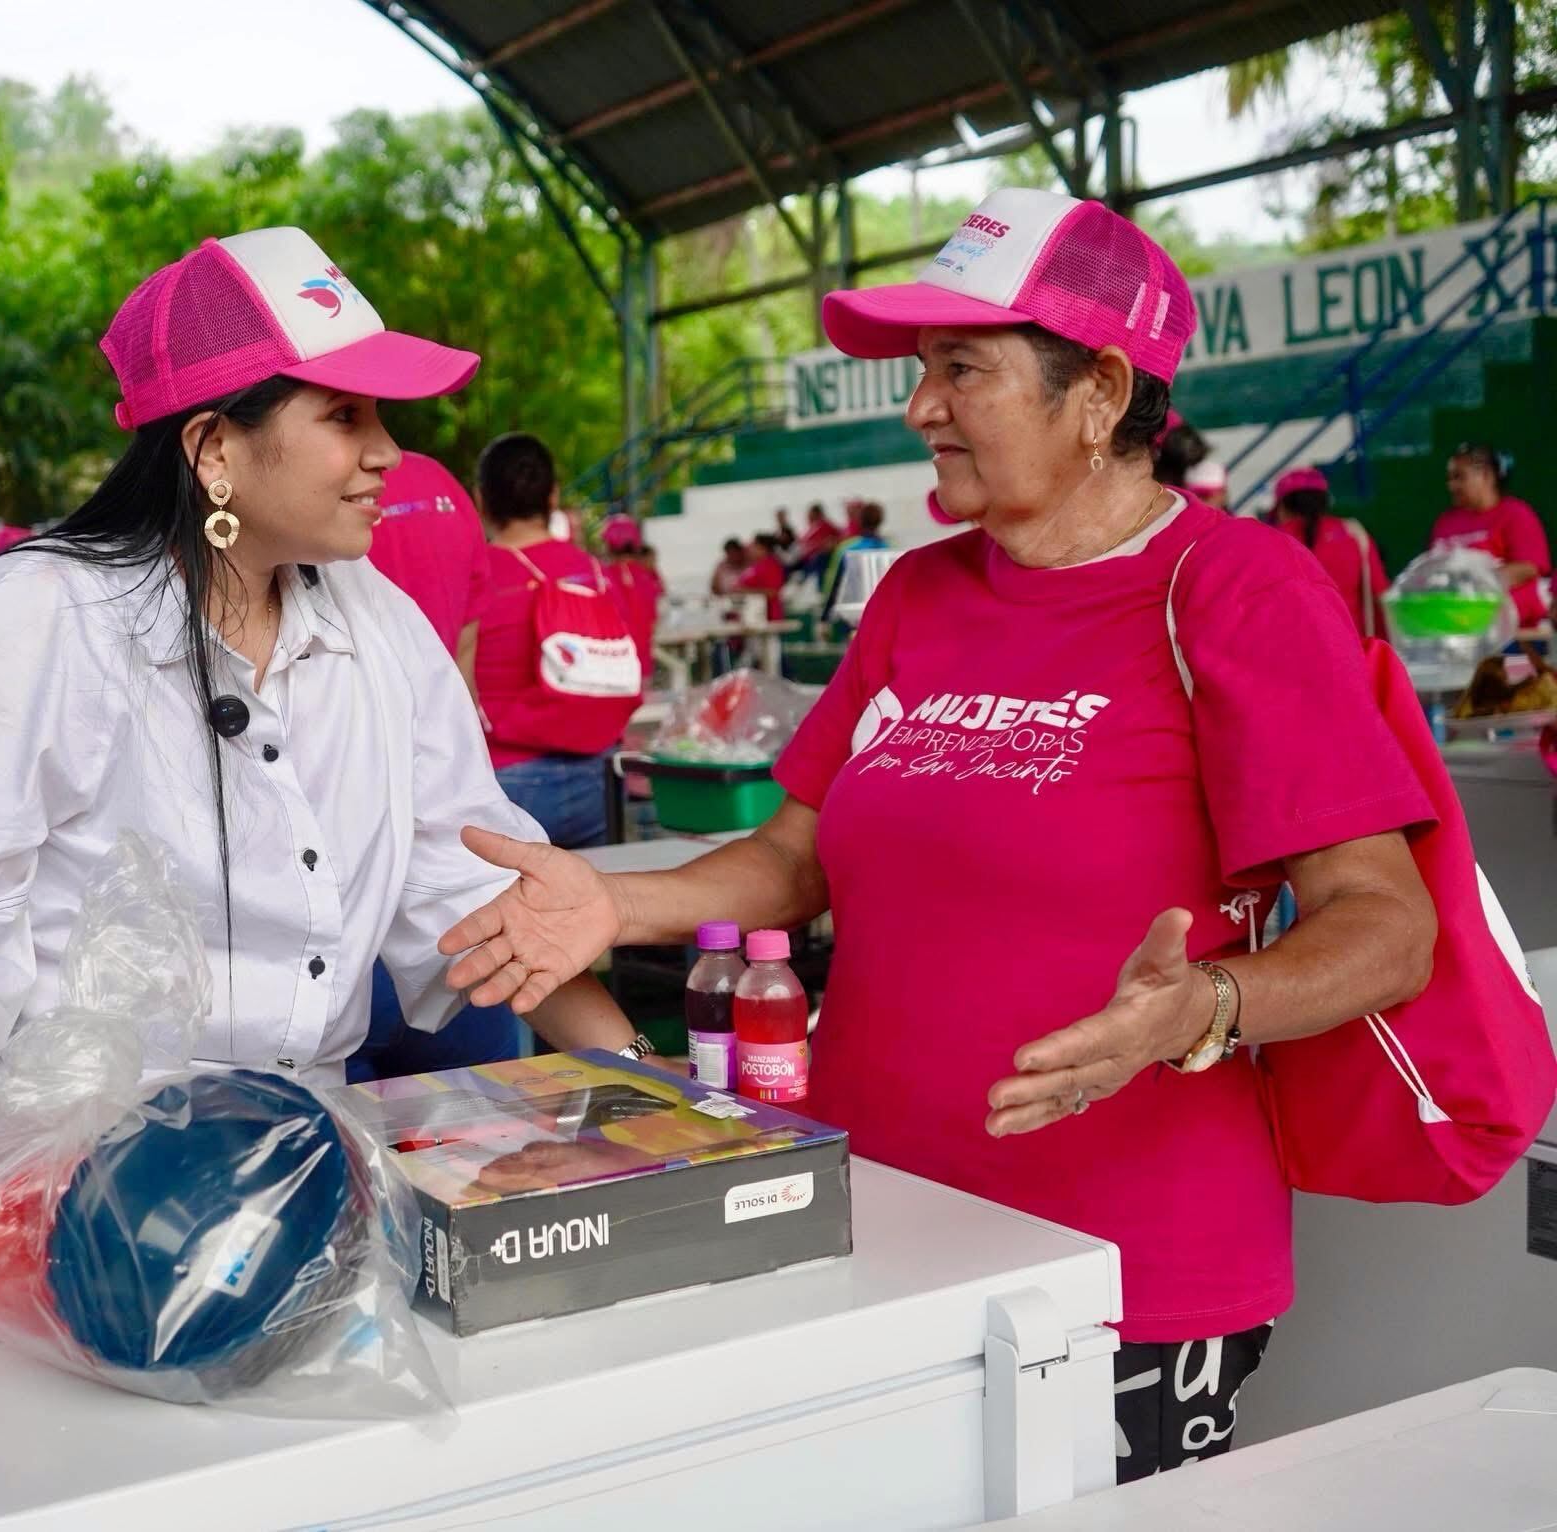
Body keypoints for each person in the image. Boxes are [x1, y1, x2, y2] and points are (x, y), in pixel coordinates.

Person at [433, 189, 1440, 1484]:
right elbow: (799, 858)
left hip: (1120, 1281)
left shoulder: (1237, 590)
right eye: (921, 370)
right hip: (880, 1236)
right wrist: (614, 905)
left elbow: (1387, 924)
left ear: (1101, 390)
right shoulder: (919, 592)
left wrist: (1201, 1009)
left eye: (961, 368)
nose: (920, 408)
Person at [0, 226, 650, 1376]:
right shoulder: (33, 622)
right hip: (52, 1215)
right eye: (343, 416)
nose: (388, 454)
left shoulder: (378, 631)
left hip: (308, 1193)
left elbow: (482, 900)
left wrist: (651, 1094)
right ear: (213, 449)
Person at [351, 447, 519, 1082]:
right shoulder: (441, 487)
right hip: (449, 883)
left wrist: (638, 1057)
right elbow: (464, 666)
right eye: (344, 416)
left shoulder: (368, 601)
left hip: (428, 900)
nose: (381, 454)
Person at [474, 431, 640, 851]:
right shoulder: (593, 571)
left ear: (481, 499)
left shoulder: (472, 574)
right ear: (552, 497)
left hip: (507, 783)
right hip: (600, 778)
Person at [364, 450, 489, 698]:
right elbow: (465, 650)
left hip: (354, 716)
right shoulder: (438, 478)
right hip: (441, 714)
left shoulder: (318, 490)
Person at [1430, 442, 1550, 629]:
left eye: (1459, 477)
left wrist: (1476, 584)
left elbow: (1528, 568)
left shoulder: (1516, 514)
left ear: (1486, 476)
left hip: (1514, 631)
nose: (1451, 485)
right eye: (1449, 478)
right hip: (1456, 627)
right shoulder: (1444, 522)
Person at [1271, 466, 1389, 639]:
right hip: (1350, 647)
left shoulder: (1273, 540)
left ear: (1282, 506)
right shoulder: (1353, 534)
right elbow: (1381, 593)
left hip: (1292, 648)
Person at [599, 512, 664, 655]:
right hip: (642, 657)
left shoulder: (602, 576)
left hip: (614, 658)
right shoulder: (646, 576)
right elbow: (654, 619)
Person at [736, 532, 786, 619]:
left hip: (767, 615)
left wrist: (744, 591)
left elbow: (773, 592)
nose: (750, 548)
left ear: (762, 548)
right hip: (750, 614)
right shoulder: (755, 565)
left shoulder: (771, 565)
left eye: (753, 545)